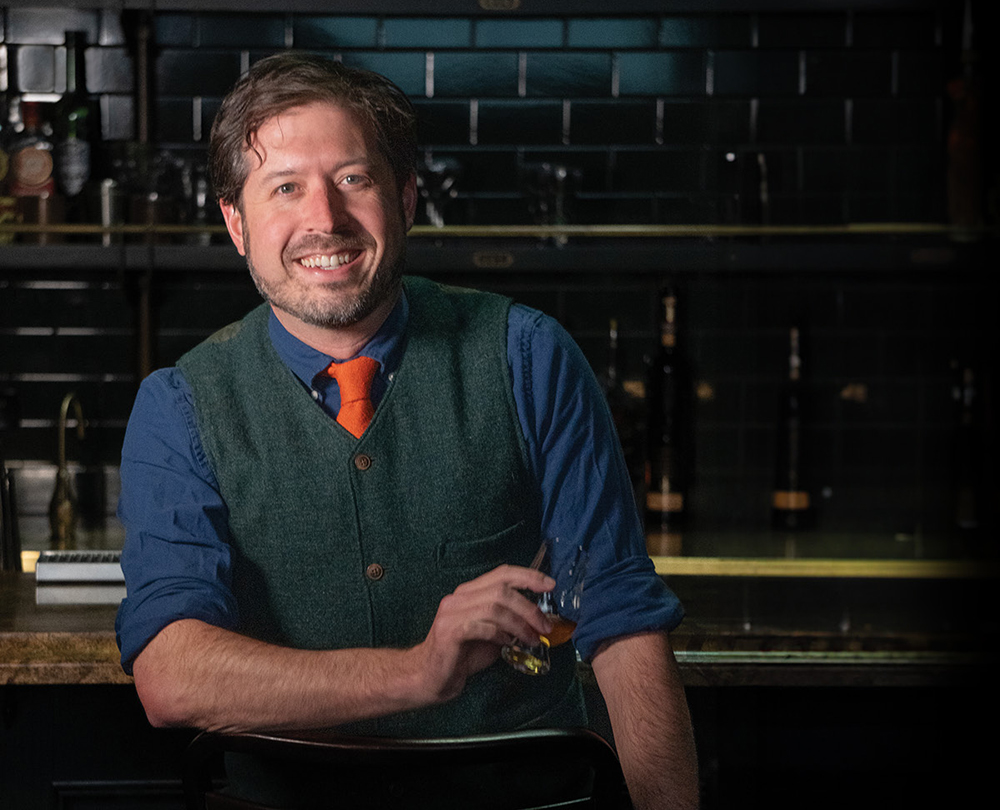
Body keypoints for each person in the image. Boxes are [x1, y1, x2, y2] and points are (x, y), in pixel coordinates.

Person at [114, 53, 699, 810]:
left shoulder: (528, 356)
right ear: (236, 223)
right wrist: (419, 670)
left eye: (353, 178)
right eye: (284, 187)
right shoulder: (180, 405)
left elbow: (621, 623)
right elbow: (172, 677)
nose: (324, 219)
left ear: (407, 197)